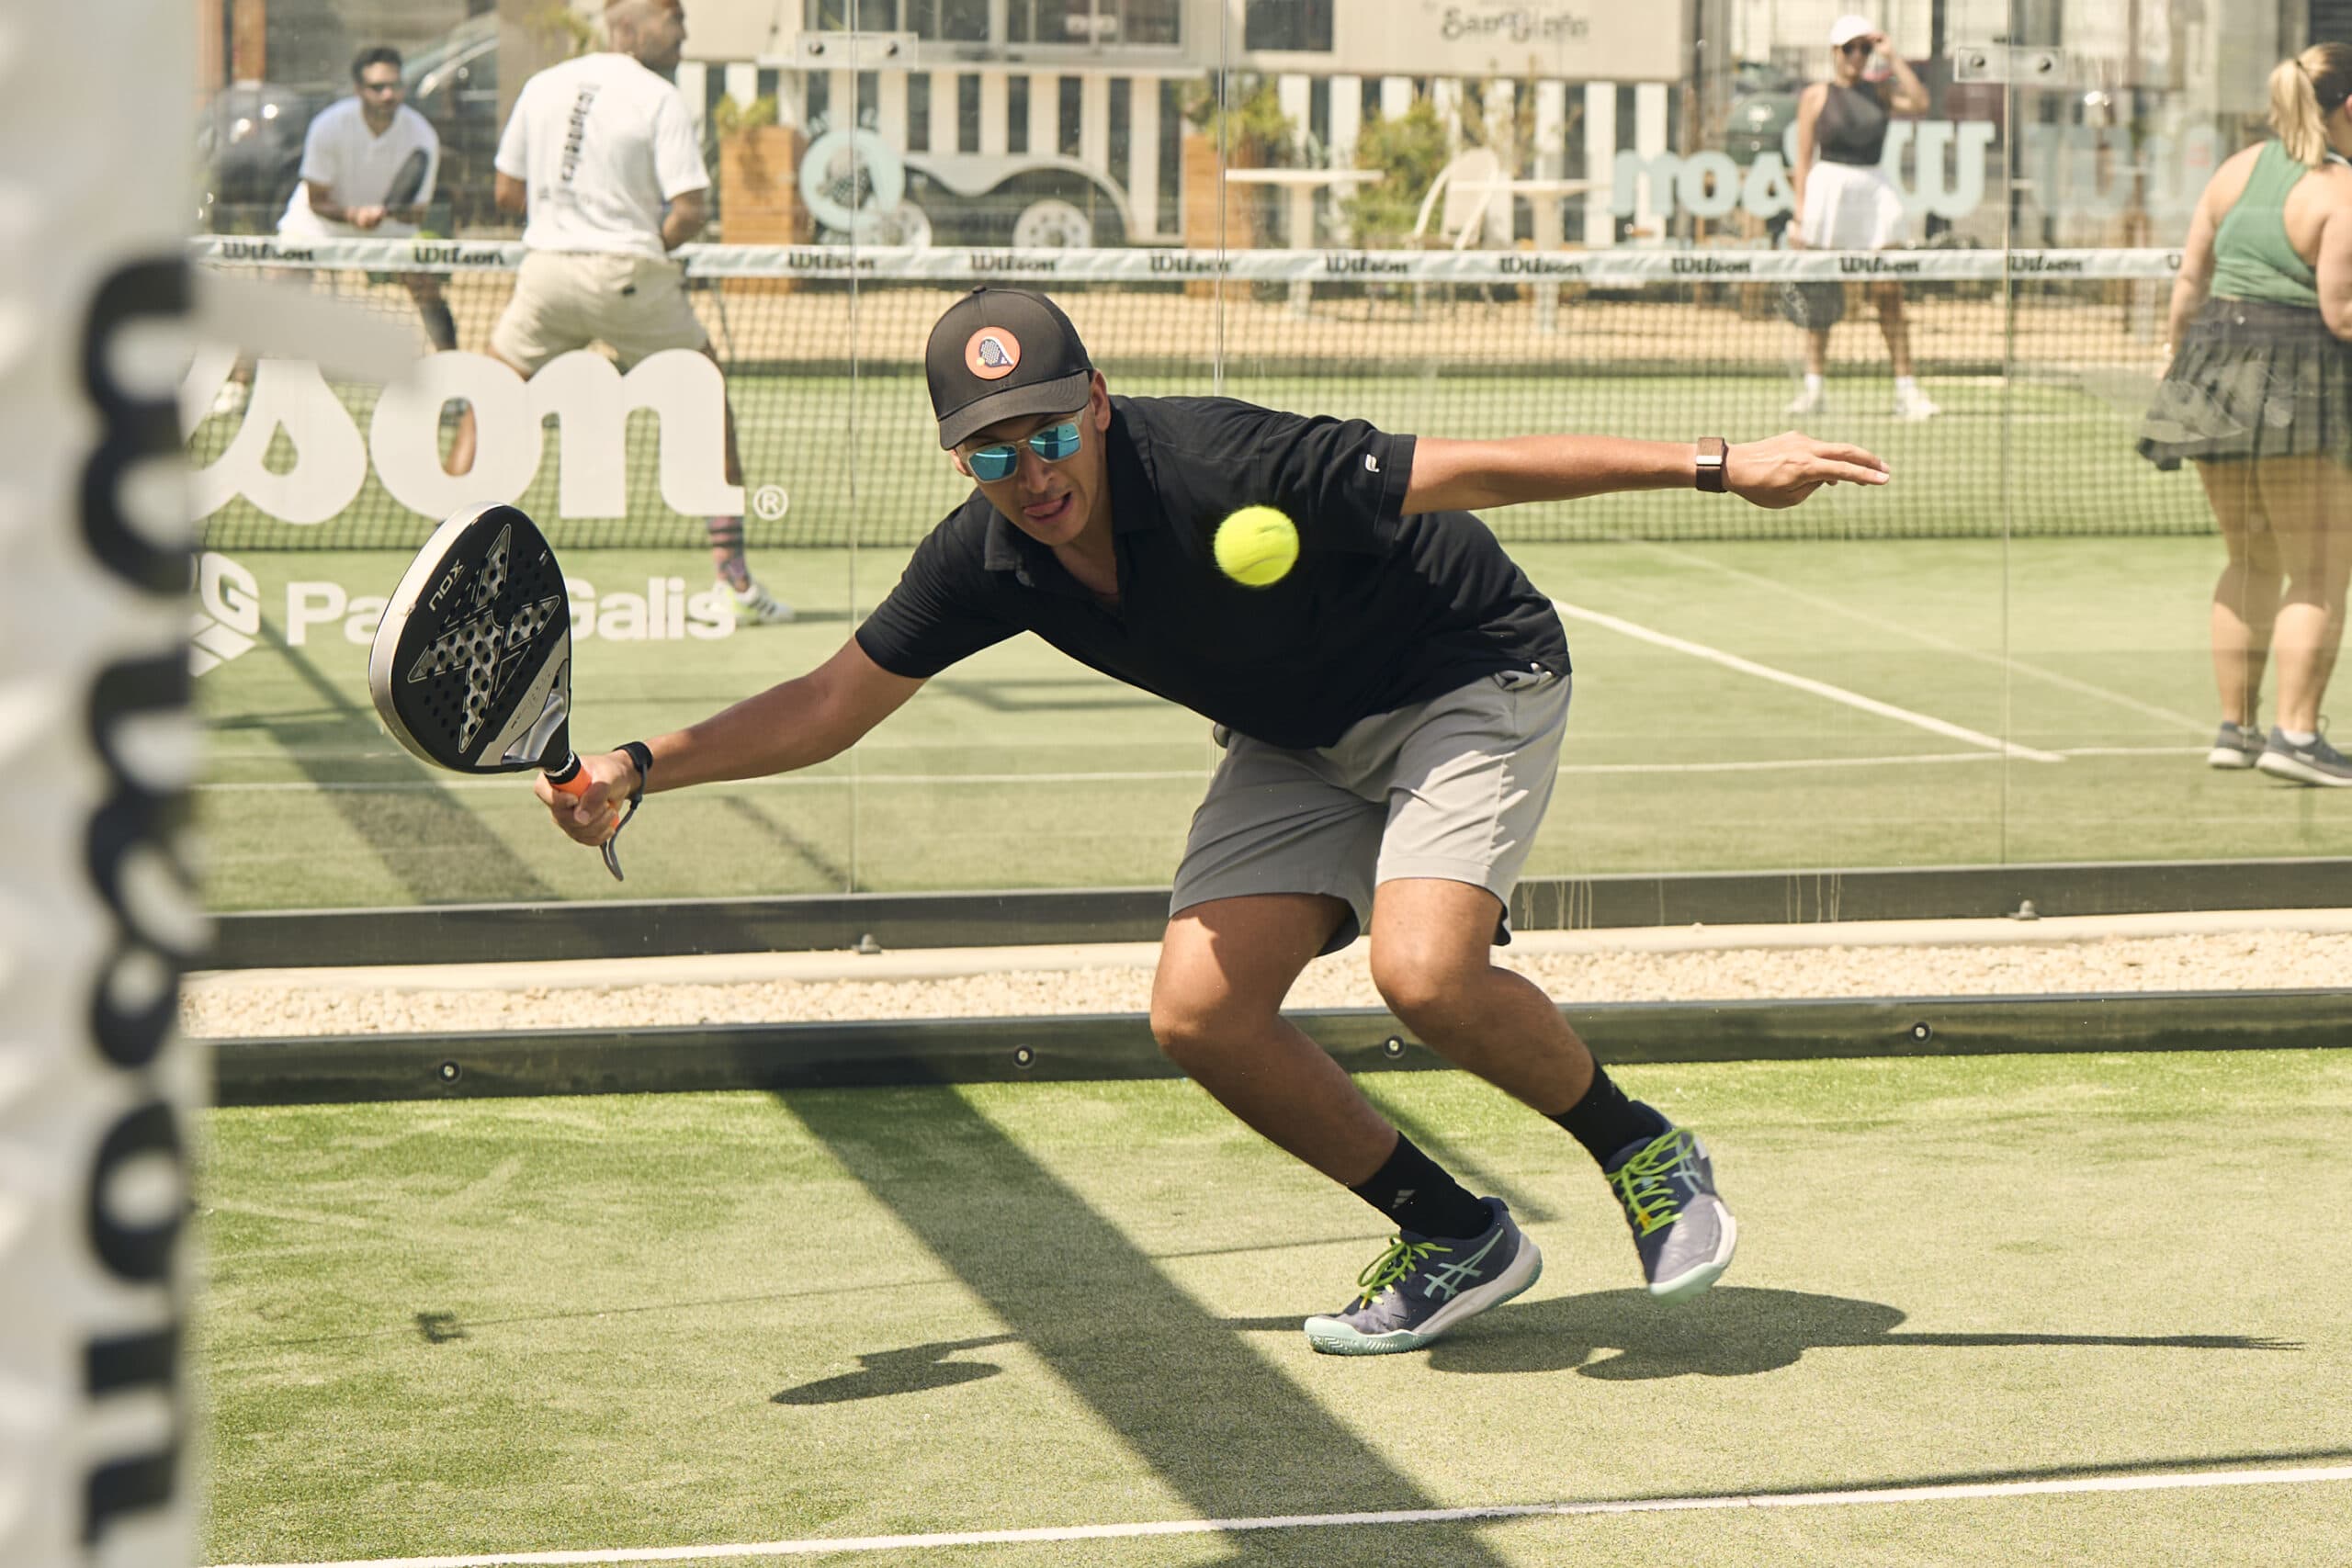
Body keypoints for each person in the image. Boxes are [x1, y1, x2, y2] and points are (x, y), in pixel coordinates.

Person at [536, 287, 1890, 1354]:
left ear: (1101, 406)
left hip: (1465, 672)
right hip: (1296, 736)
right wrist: (645, 762)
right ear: (958, 454)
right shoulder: (988, 555)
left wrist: (1716, 464)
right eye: (992, 447)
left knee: (1425, 971)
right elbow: (833, 701)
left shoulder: (1226, 459)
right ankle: (1456, 1233)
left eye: (1052, 429)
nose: (1032, 467)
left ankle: (1638, 1146)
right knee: (1198, 1011)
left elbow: (1468, 466)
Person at [485, 0, 791, 625]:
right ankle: (732, 578)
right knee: (707, 400)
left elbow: (505, 192)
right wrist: (642, 240)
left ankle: (444, 569)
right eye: (672, 17)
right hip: (628, 275)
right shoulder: (659, 96)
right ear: (629, 26)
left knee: (490, 400)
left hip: (546, 272)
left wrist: (566, 219)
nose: (683, 31)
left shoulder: (541, 85)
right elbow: (690, 209)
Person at [2139, 45, 2352, 787]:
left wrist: (2174, 355)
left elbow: (2191, 281)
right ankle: (2296, 738)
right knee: (2320, 569)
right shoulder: (2339, 189)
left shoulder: (2235, 171)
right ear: (2349, 110)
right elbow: (2342, 310)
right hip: (2293, 374)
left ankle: (2238, 729)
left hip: (2210, 367)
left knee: (2249, 557)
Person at [220, 47, 476, 474]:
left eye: (395, 85)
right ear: (360, 90)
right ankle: (238, 384)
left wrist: (382, 214)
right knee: (278, 283)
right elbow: (318, 200)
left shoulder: (420, 135)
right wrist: (354, 215)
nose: (388, 94)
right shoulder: (330, 126)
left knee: (425, 288)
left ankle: (456, 391)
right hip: (318, 224)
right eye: (378, 87)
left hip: (388, 228)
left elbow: (415, 211)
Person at [1786, 15, 1937, 422]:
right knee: (1820, 296)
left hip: (1875, 191)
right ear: (1835, 53)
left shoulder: (1882, 92)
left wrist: (1893, 56)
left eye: (1863, 49)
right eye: (1849, 48)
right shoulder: (1816, 96)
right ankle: (1813, 388)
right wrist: (1800, 216)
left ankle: (1906, 390)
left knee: (1889, 293)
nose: (1857, 56)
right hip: (1827, 191)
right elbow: (1801, 160)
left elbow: (1921, 103)